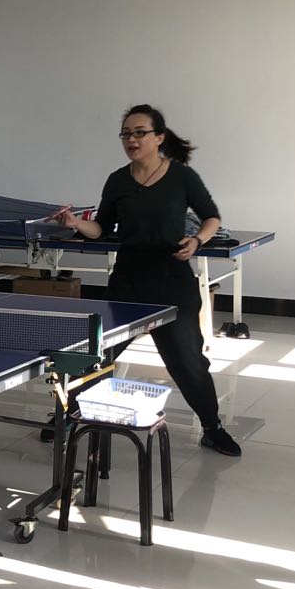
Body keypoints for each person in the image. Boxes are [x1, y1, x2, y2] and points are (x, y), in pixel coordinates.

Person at [57, 104, 241, 457]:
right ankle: (70, 415)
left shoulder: (182, 177)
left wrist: (197, 240)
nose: (132, 139)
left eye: (139, 132)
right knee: (98, 354)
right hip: (128, 280)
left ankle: (212, 428)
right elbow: (101, 227)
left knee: (187, 362)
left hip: (172, 281)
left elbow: (212, 217)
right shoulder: (117, 180)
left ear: (159, 137)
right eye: (126, 133)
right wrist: (77, 224)